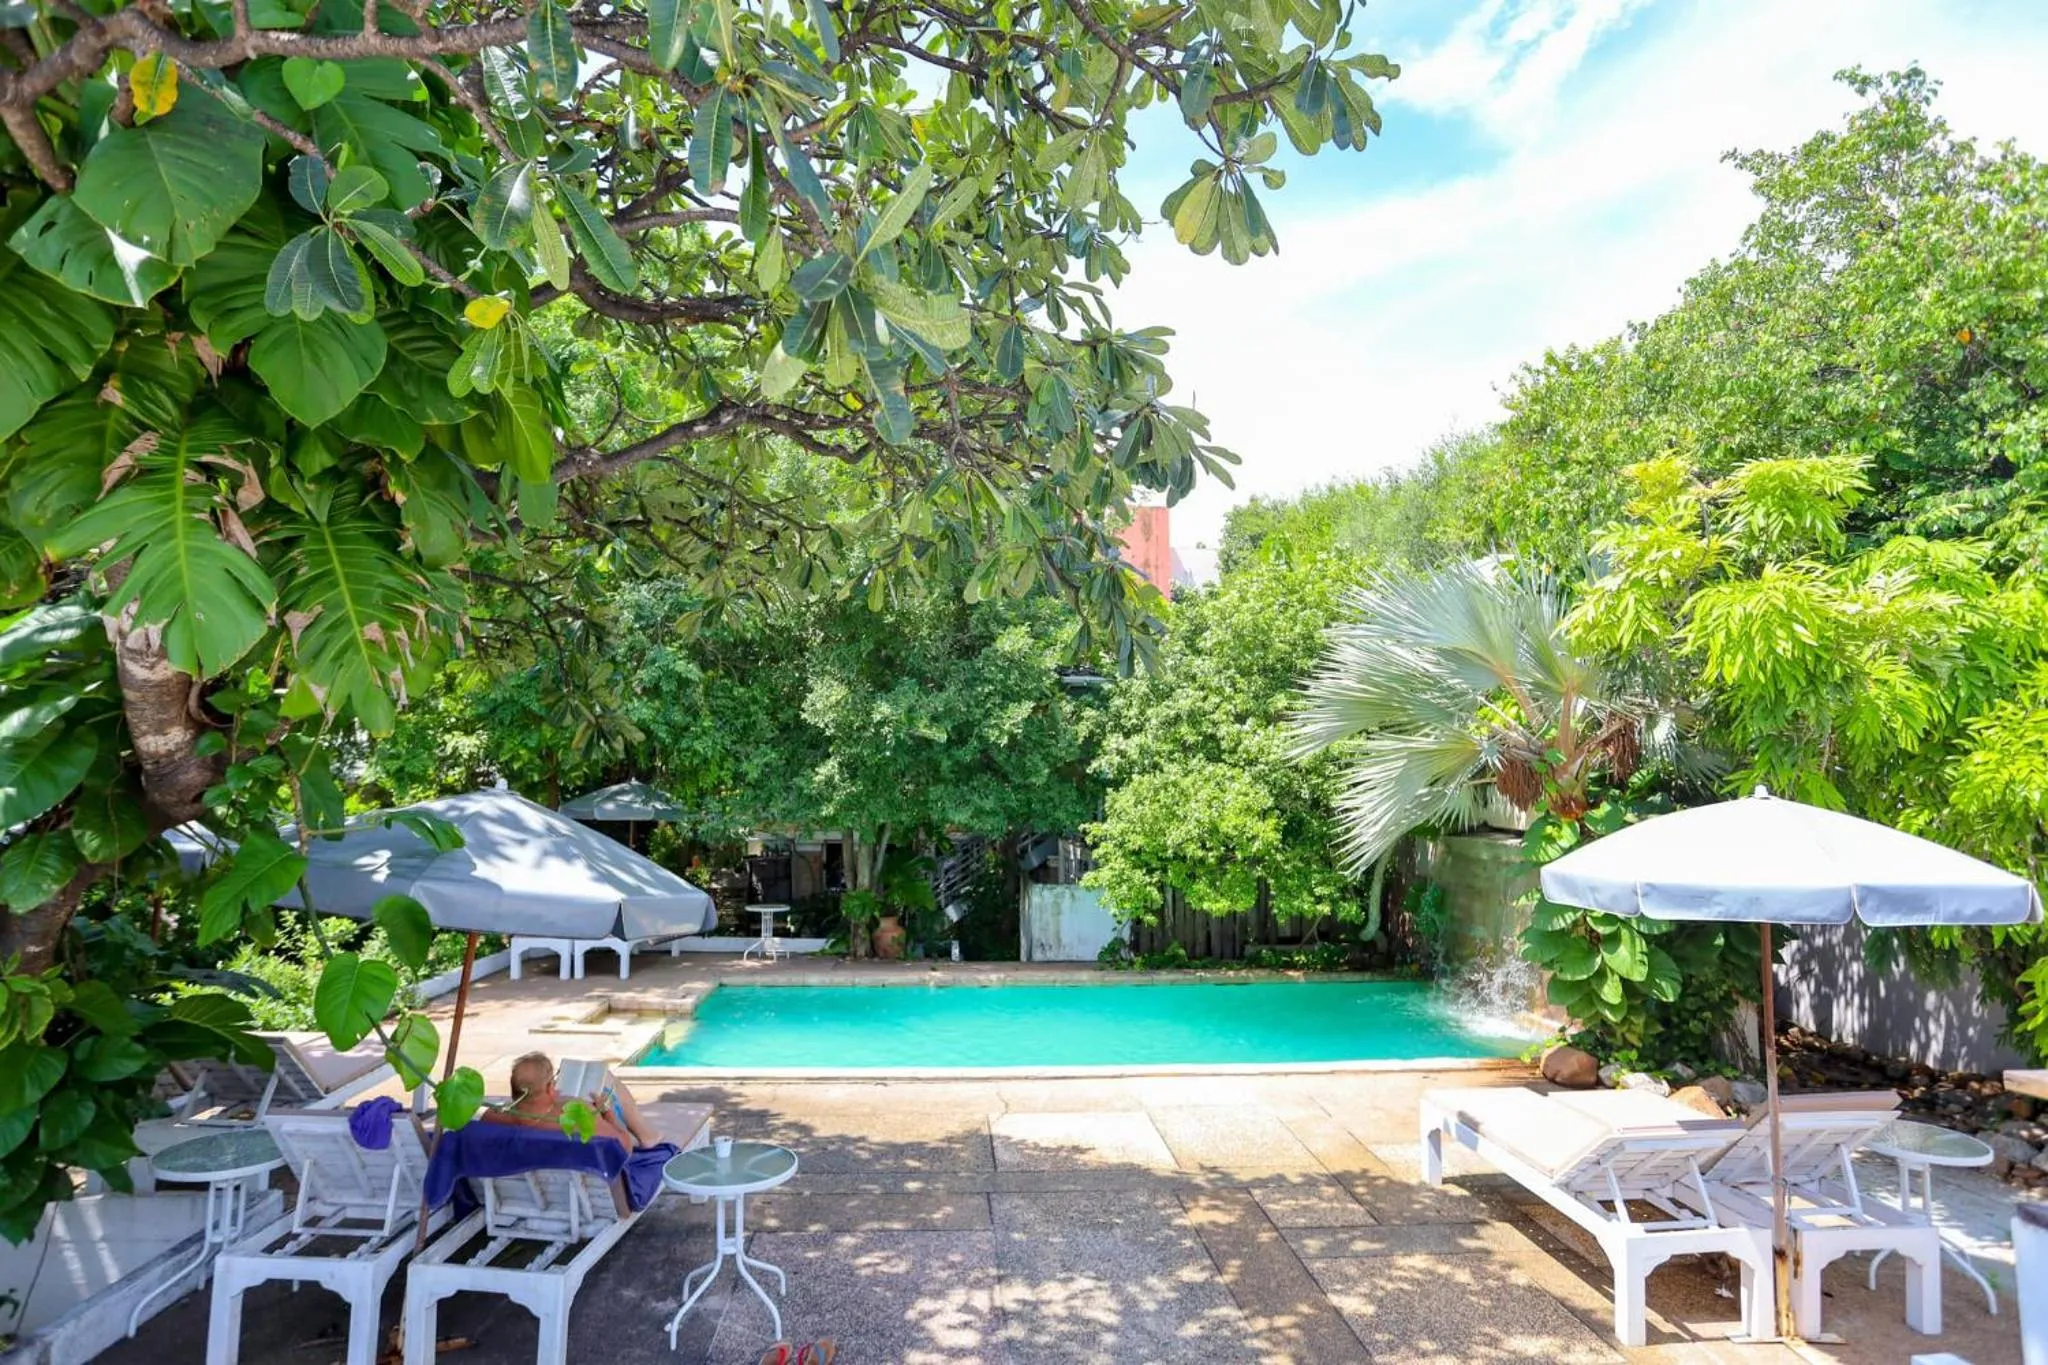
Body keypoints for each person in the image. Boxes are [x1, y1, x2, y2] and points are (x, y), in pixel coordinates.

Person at [486, 1051, 663, 1149]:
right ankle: (647, 1135)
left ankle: (646, 1133)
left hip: (530, 1184)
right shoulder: (580, 1116)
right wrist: (606, 1113)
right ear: (549, 1087)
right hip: (582, 1187)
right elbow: (623, 1148)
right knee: (607, 1080)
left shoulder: (492, 1118)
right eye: (553, 1082)